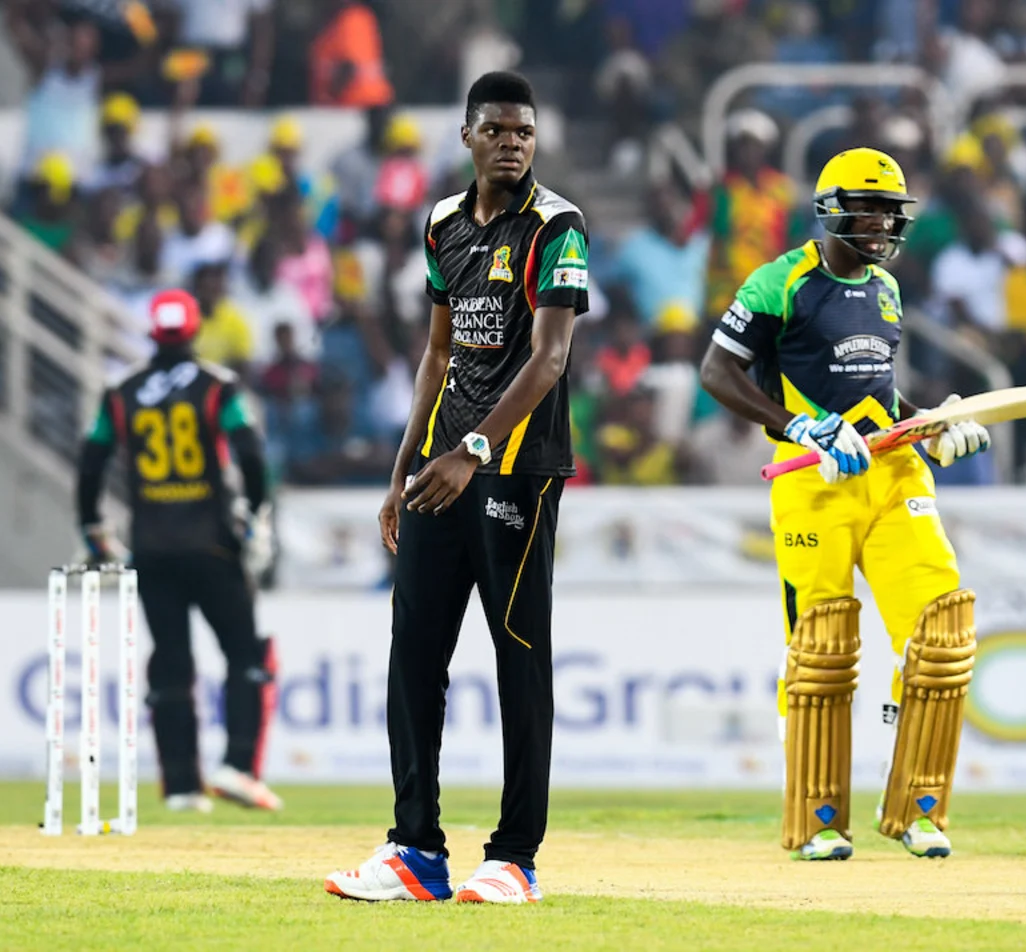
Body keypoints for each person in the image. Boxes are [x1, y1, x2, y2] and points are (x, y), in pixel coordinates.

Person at [324, 71, 589, 904]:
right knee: (413, 657)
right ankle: (415, 851)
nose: (513, 143)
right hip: (443, 467)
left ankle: (515, 858)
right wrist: (404, 468)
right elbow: (437, 355)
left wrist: (474, 446)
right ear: (468, 137)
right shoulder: (441, 224)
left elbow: (550, 358)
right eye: (499, 130)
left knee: (519, 660)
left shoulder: (557, 225)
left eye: (525, 131)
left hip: (515, 468)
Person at [698, 148, 990, 862]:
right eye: (868, 208)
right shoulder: (781, 281)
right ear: (831, 209)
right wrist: (798, 424)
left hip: (894, 476)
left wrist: (935, 423)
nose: (883, 223)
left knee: (942, 632)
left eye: (891, 212)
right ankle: (819, 818)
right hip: (814, 482)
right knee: (822, 650)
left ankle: (919, 808)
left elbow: (882, 400)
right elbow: (716, 371)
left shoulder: (886, 288)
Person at [75, 289, 282, 814]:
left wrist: (91, 527)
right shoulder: (218, 385)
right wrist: (254, 512)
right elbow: (251, 455)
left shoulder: (121, 390)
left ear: (152, 333)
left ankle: (183, 787)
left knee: (171, 661)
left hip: (151, 546)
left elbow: (91, 462)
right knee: (243, 653)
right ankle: (237, 767)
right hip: (212, 542)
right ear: (192, 331)